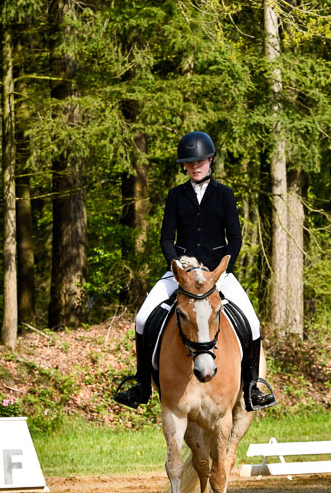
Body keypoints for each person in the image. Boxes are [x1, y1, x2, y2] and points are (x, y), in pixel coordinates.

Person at [114, 131, 276, 412]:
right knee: (141, 318)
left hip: (216, 274)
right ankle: (141, 384)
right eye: (190, 163)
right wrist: (176, 266)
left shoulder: (224, 194)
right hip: (183, 274)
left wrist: (223, 270)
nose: (195, 166)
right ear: (185, 167)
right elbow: (167, 238)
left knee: (252, 322)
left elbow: (235, 238)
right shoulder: (176, 195)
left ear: (210, 160)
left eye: (199, 161)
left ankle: (252, 388)